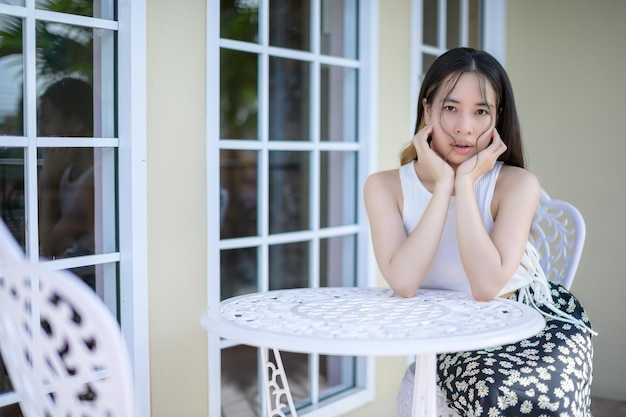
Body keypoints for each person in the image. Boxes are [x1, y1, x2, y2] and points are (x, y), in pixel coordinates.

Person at [363, 47, 594, 417]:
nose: (464, 127)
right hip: (449, 332)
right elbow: (404, 282)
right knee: (492, 390)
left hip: (526, 321)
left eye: (480, 112)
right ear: (427, 109)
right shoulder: (384, 186)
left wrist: (466, 184)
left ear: (497, 117)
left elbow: (486, 287)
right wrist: (443, 187)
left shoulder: (518, 184)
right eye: (450, 108)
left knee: (531, 394)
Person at [37, 78, 95, 270]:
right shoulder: (66, 171)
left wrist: (50, 181)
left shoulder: (95, 181)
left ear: (76, 123)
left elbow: (51, 247)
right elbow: (31, 234)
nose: (39, 133)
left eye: (46, 121)